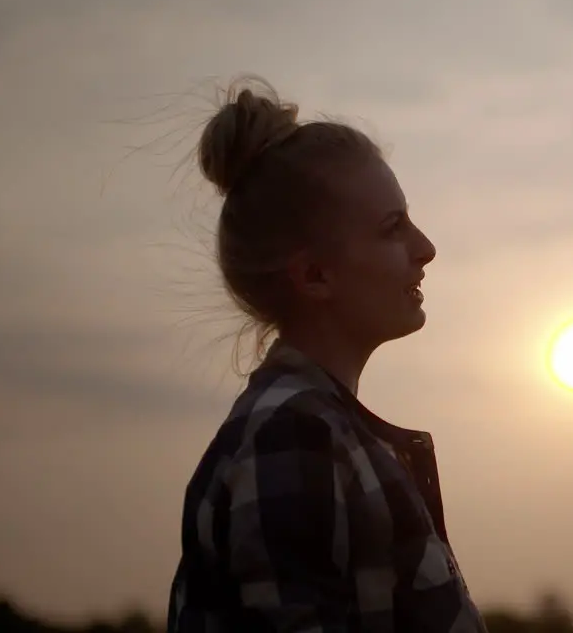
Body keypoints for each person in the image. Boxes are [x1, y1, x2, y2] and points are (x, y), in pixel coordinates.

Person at [166, 78, 486, 632]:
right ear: (314, 275)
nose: (426, 248)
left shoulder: (318, 432)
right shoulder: (290, 438)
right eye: (393, 227)